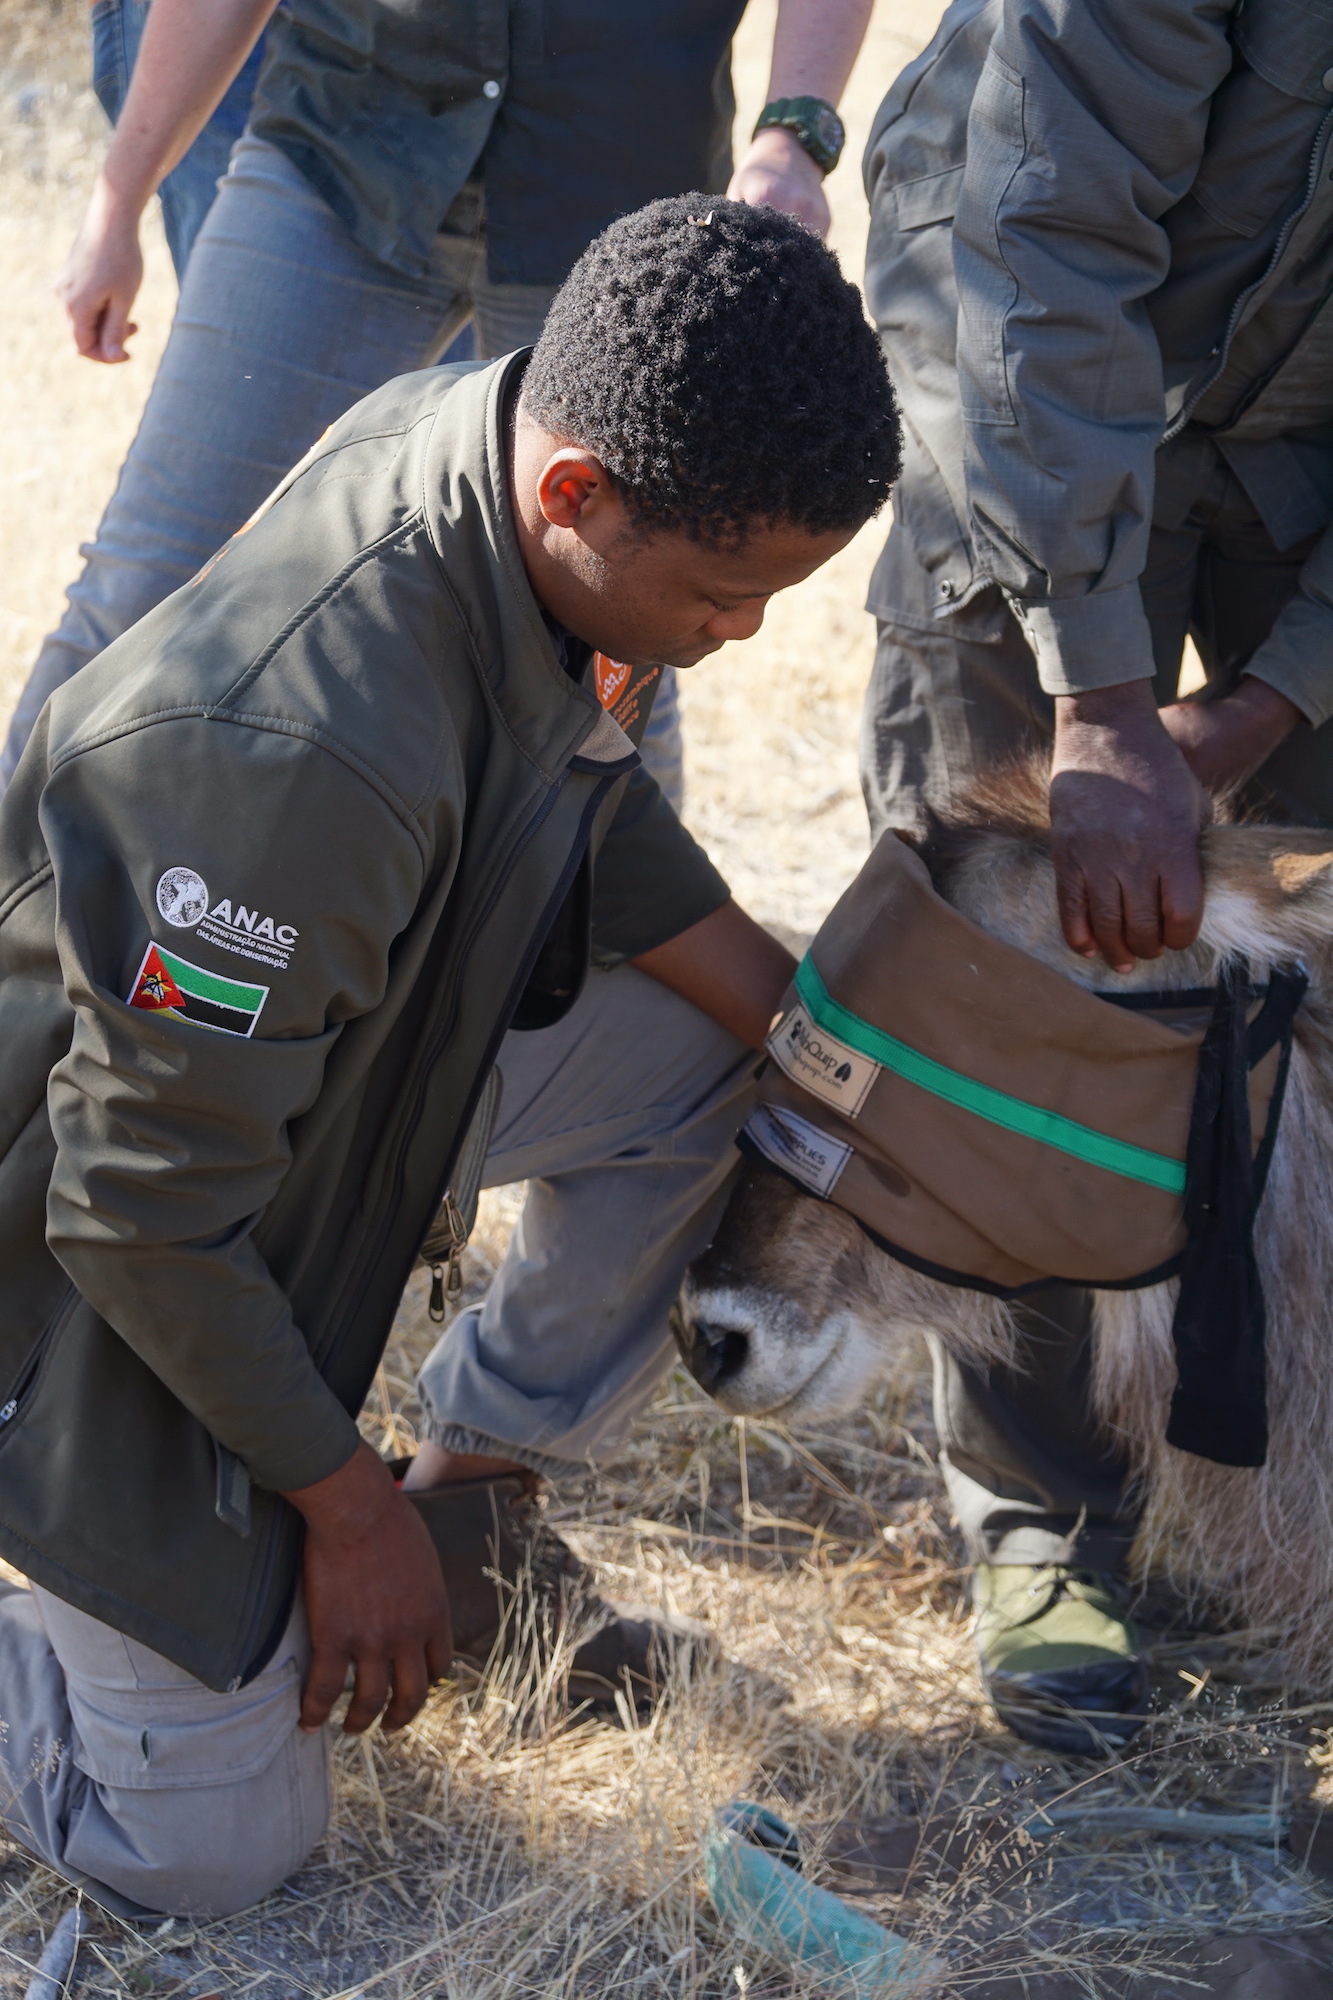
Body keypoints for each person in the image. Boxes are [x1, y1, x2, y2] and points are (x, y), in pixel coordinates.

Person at [0, 196, 901, 1919]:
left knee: (746, 1087)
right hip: (78, 1243)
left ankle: (473, 1494)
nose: (744, 635)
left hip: (318, 1100)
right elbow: (136, 1214)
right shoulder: (300, 755)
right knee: (214, 1852)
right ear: (576, 497)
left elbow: (581, 788)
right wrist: (344, 1516)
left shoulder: (503, 442)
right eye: (721, 593)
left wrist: (818, 1043)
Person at [860, 0, 1333, 1755]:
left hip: (1298, 416)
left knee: (1297, 980)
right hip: (1016, 350)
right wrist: (1102, 699)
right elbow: (1043, 243)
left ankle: (1269, 1483)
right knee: (1009, 961)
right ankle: (1040, 1512)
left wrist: (1281, 692)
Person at [0, 0, 875, 800]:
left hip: (614, 197)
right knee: (146, 575)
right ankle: (15, 883)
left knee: (622, 630)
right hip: (343, 157)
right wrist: (117, 199)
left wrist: (792, 133)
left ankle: (609, 945)